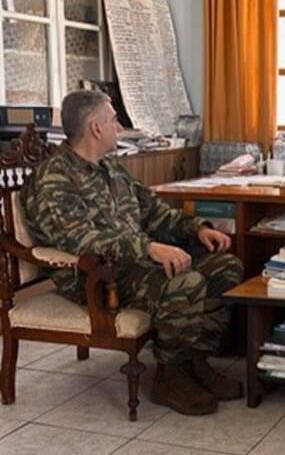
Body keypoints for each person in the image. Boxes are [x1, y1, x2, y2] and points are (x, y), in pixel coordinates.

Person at [21, 89, 244, 416]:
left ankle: (195, 360)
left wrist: (196, 229)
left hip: (133, 262)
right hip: (96, 276)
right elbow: (78, 239)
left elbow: (153, 210)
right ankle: (170, 376)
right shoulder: (54, 178)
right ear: (96, 128)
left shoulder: (111, 168)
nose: (120, 128)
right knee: (185, 282)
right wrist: (149, 247)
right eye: (114, 120)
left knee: (226, 267)